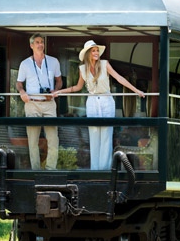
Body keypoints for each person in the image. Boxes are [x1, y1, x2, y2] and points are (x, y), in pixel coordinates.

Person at [54, 40, 144, 170]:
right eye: (93, 50)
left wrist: (137, 91)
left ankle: (105, 169)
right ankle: (95, 169)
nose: (96, 53)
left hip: (106, 100)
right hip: (92, 102)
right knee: (94, 134)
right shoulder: (82, 69)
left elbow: (119, 78)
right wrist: (59, 92)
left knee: (106, 135)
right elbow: (77, 87)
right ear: (87, 54)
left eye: (97, 50)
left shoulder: (104, 64)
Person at [16, 33, 62, 170]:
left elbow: (59, 81)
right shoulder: (24, 64)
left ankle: (51, 170)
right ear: (31, 45)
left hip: (49, 104)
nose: (40, 44)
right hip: (32, 104)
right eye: (37, 42)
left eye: (42, 42)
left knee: (53, 139)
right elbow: (19, 83)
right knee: (33, 141)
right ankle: (35, 171)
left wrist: (56, 91)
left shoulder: (54, 61)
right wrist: (22, 92)